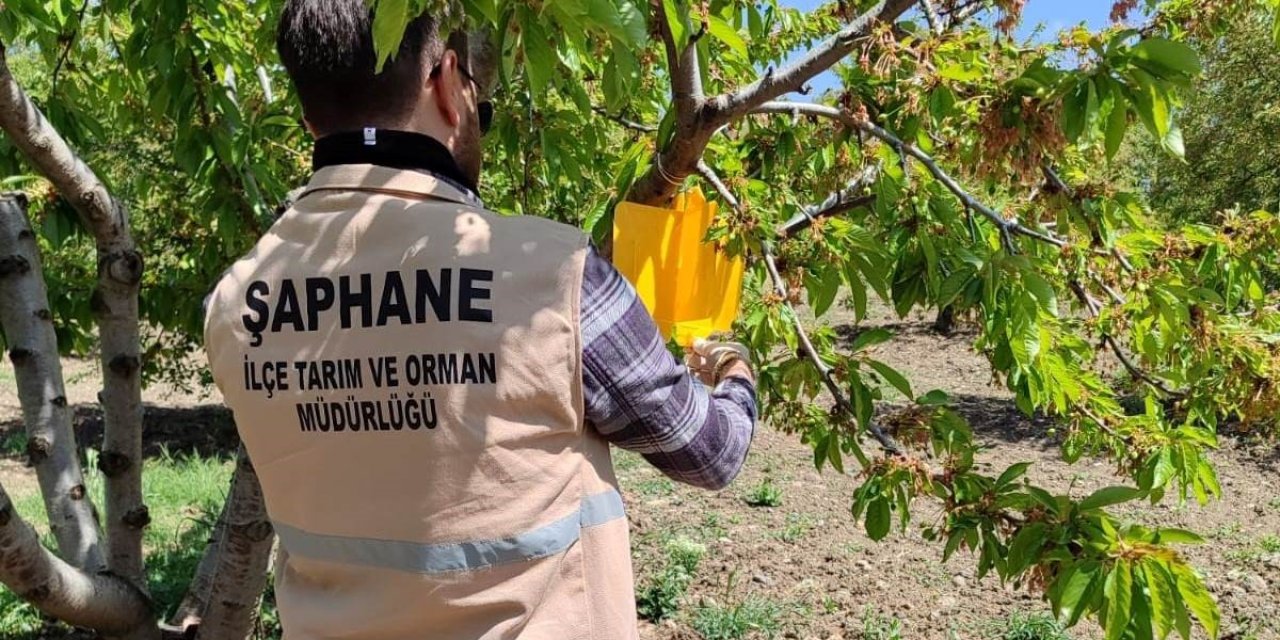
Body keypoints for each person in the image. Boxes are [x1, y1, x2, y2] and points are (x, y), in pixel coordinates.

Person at [201, 2, 758, 639]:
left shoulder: (235, 302)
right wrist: (732, 365)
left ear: (308, 119)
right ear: (445, 80)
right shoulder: (552, 271)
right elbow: (711, 449)